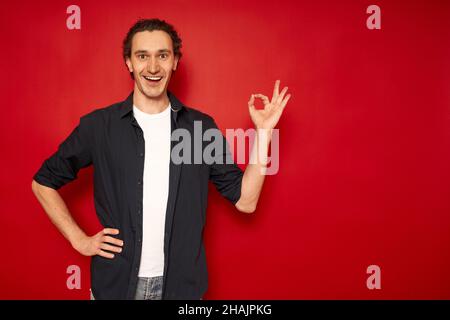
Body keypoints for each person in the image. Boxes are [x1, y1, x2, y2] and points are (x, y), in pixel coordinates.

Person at [31, 18, 291, 300]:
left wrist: (264, 133)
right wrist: (79, 239)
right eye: (142, 56)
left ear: (175, 61)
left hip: (181, 290)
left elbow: (246, 200)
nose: (153, 68)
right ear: (129, 62)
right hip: (115, 287)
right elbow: (43, 182)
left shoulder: (199, 130)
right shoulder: (99, 127)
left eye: (162, 56)